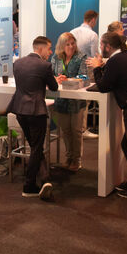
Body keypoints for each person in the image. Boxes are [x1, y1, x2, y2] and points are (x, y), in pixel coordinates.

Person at [88, 33, 127, 199]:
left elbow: (103, 86)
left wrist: (97, 67)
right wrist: (103, 66)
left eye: (101, 45)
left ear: (108, 46)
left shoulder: (116, 61)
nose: (100, 48)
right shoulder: (126, 56)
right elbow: (113, 79)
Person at [7, 36, 58, 200]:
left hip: (19, 110)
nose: (50, 52)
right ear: (40, 49)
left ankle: (45, 179)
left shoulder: (18, 63)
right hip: (36, 111)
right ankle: (29, 185)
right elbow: (54, 87)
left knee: (35, 146)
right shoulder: (45, 66)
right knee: (36, 148)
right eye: (49, 49)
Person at [51, 33, 87, 172]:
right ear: (62, 46)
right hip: (61, 100)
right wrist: (56, 79)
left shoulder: (81, 57)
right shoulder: (56, 58)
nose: (71, 46)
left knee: (76, 131)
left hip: (76, 100)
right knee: (65, 131)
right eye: (68, 44)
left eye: (73, 43)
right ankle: (68, 157)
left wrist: (69, 80)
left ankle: (77, 159)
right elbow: (50, 74)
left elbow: (84, 76)